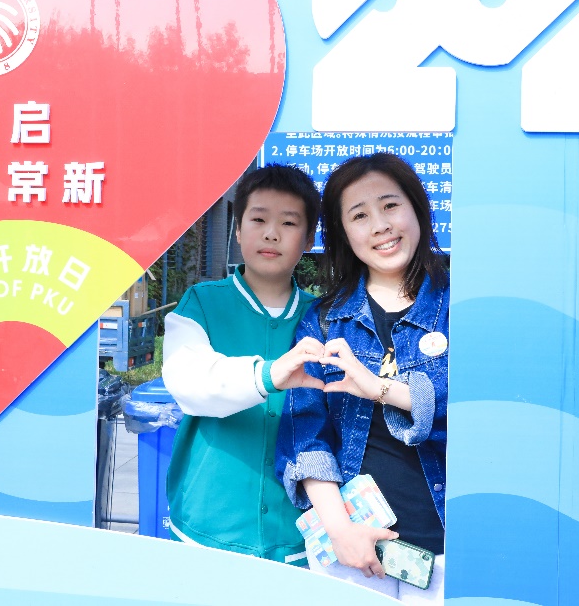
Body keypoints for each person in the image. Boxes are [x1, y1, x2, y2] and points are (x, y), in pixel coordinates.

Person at [275, 153, 449, 602]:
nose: (380, 226)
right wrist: (340, 531)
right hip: (353, 554)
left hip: (451, 549)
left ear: (417, 209)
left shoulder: (462, 304)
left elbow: (487, 412)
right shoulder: (324, 320)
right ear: (343, 233)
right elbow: (305, 436)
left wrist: (380, 389)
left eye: (390, 206)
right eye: (359, 215)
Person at [162, 164, 324, 566]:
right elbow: (188, 381)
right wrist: (268, 375)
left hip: (299, 535)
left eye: (289, 223)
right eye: (258, 219)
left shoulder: (326, 317)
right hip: (209, 525)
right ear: (237, 230)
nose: (271, 234)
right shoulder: (201, 303)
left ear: (309, 238)